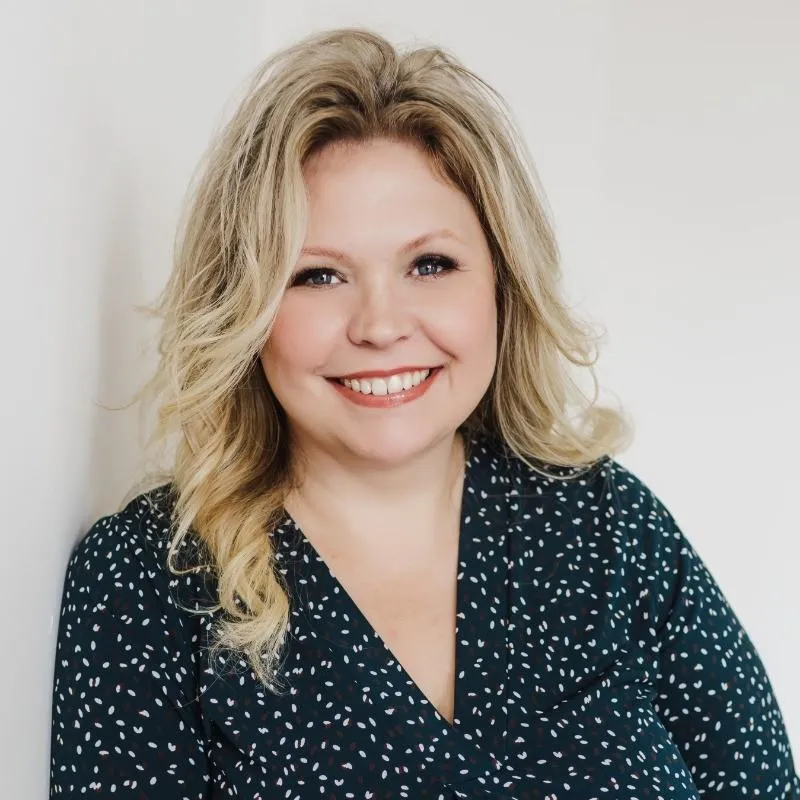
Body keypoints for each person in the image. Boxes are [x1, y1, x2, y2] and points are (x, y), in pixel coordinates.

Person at [49, 26, 798, 800]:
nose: (380, 326)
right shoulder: (147, 579)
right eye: (318, 276)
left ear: (502, 284)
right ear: (244, 308)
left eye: (430, 264)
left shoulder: (610, 527)